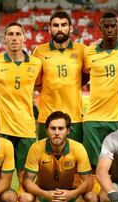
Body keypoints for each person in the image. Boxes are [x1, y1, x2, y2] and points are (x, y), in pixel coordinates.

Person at [0, 21, 42, 202]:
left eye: (18, 34)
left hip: (26, 127)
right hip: (1, 129)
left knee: (25, 177)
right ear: (5, 38)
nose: (14, 37)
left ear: (24, 37)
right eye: (10, 34)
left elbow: (45, 86)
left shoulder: (36, 64)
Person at [82, 11, 118, 169]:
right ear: (100, 27)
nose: (109, 29)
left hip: (117, 118)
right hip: (93, 119)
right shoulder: (89, 52)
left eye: (113, 26)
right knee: (92, 166)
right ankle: (93, 193)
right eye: (106, 26)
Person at [19, 111, 98, 202]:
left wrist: (72, 194)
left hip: (70, 197)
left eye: (61, 128)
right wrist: (45, 194)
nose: (57, 132)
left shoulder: (78, 148)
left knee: (92, 198)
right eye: (53, 128)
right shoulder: (36, 147)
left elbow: (89, 181)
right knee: (24, 199)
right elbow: (26, 182)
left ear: (68, 131)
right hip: (44, 197)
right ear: (46, 130)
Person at [33, 11, 85, 142]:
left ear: (71, 28)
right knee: (45, 160)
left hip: (74, 118)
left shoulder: (82, 50)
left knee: (74, 159)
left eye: (64, 25)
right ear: (50, 29)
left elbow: (88, 75)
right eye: (55, 25)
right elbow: (35, 82)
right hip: (47, 118)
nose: (60, 29)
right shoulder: (39, 51)